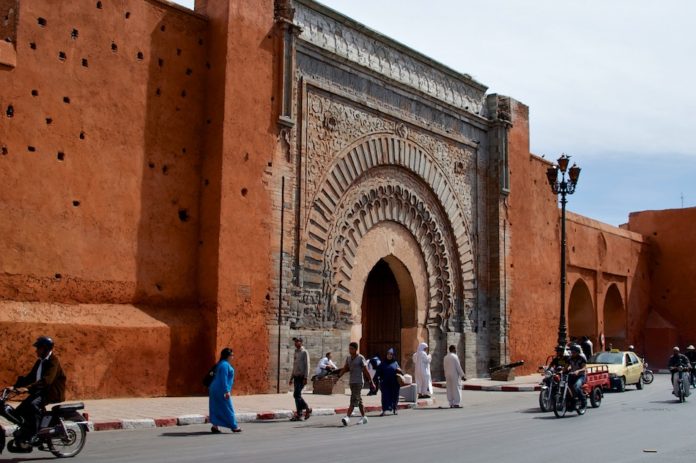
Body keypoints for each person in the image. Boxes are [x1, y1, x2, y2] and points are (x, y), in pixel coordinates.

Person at [12, 336, 66, 447]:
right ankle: (26, 431)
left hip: (51, 392)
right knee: (20, 410)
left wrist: (27, 388)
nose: (36, 351)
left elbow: (46, 381)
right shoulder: (40, 362)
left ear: (46, 349)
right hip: (41, 392)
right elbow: (30, 378)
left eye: (39, 348)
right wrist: (14, 387)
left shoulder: (53, 362)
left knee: (32, 406)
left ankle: (34, 434)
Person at [337, 342, 374, 425]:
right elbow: (345, 368)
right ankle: (364, 417)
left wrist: (371, 382)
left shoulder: (360, 358)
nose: (350, 350)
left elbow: (366, 371)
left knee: (353, 399)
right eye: (349, 349)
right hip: (352, 382)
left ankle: (347, 417)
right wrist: (338, 376)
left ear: (356, 349)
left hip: (359, 382)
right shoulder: (349, 358)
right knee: (358, 400)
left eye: (352, 349)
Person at [208, 347, 242, 433]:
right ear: (228, 356)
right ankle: (234, 427)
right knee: (228, 407)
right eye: (232, 355)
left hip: (214, 388)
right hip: (220, 389)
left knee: (216, 407)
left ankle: (215, 426)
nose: (233, 357)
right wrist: (226, 391)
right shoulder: (225, 365)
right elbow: (224, 379)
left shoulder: (221, 363)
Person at [289, 337, 312, 421]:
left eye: (297, 341)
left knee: (296, 395)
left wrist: (306, 377)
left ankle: (306, 409)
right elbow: (294, 366)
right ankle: (300, 414)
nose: (295, 343)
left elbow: (307, 366)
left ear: (301, 342)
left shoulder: (304, 352)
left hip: (302, 377)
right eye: (295, 342)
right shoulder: (295, 352)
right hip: (296, 377)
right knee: (297, 396)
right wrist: (291, 378)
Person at [374, 348, 401, 415]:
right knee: (385, 397)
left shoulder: (395, 363)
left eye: (391, 354)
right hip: (385, 383)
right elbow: (378, 373)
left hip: (394, 383)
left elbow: (400, 372)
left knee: (394, 396)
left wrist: (399, 370)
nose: (389, 356)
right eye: (388, 354)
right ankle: (384, 410)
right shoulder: (382, 363)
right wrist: (377, 380)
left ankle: (395, 409)